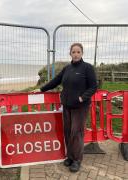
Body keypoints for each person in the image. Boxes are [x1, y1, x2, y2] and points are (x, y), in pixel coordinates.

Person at [40, 43, 97, 172]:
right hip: (66, 106)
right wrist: (41, 89)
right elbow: (56, 81)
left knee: (76, 133)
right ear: (70, 53)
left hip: (80, 107)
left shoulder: (87, 68)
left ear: (82, 53)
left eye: (78, 52)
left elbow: (93, 86)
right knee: (67, 131)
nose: (76, 54)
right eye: (73, 52)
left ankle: (77, 160)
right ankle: (70, 157)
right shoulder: (67, 68)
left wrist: (83, 97)